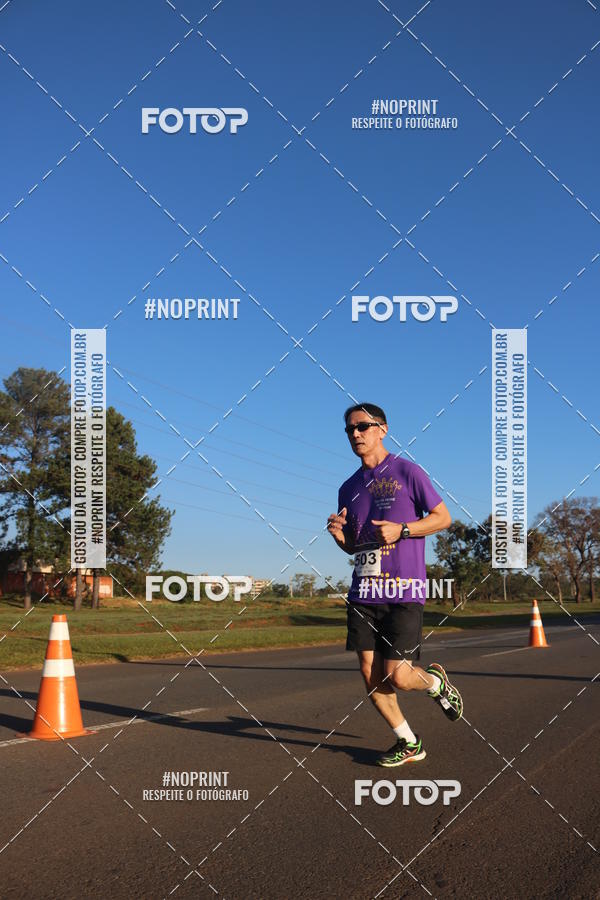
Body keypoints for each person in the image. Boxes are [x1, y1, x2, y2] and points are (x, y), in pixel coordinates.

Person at [327, 402, 463, 766]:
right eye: (349, 429)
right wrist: (340, 538)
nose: (355, 433)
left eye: (363, 426)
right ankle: (409, 741)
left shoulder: (407, 471)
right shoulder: (348, 488)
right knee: (371, 678)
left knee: (399, 676)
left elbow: (443, 518)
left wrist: (403, 529)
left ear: (382, 429)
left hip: (403, 590)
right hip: (363, 592)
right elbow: (356, 547)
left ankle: (435, 683)